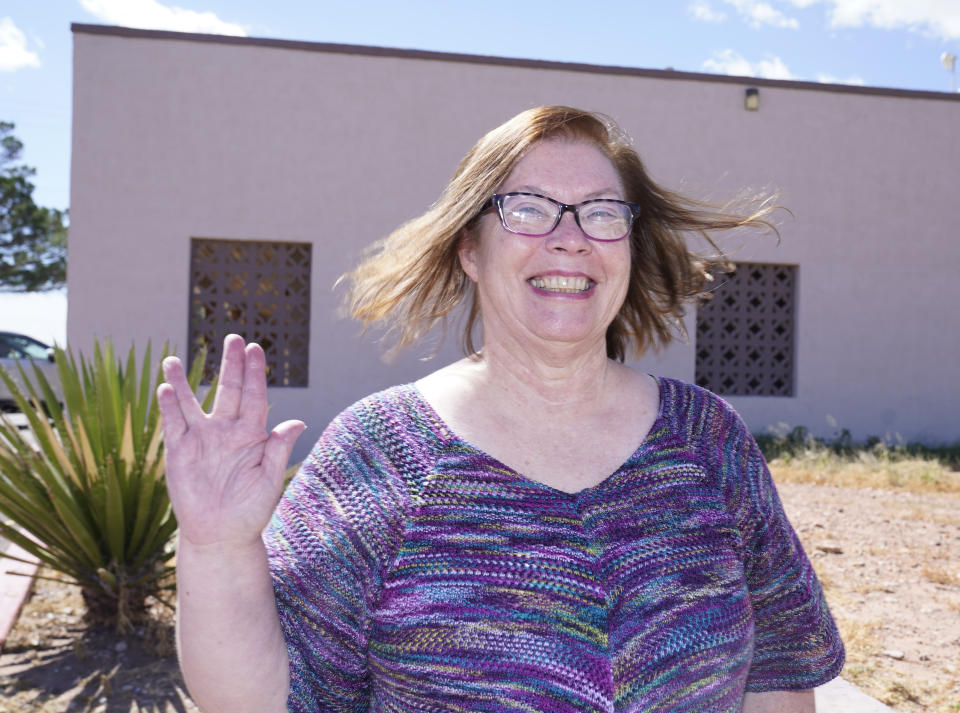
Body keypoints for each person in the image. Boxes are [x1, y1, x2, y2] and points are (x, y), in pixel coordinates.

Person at [157, 106, 844, 713]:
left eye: (603, 212)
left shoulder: (709, 440)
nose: (570, 237)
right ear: (469, 247)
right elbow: (267, 698)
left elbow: (780, 666)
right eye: (527, 207)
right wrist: (216, 546)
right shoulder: (381, 452)